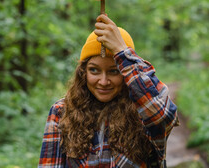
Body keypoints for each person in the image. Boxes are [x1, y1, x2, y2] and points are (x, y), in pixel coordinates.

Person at [38, 14, 179, 168]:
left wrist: (121, 51)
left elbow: (162, 114)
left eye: (114, 71)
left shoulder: (143, 113)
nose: (103, 82)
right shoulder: (61, 112)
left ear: (125, 72)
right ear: (83, 72)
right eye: (94, 70)